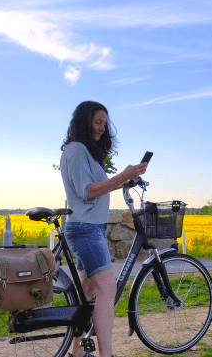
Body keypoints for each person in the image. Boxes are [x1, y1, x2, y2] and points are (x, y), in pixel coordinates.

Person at [60, 101, 147, 357]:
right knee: (107, 288)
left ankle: (76, 353)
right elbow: (86, 191)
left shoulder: (85, 151)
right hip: (84, 228)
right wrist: (122, 176)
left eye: (104, 124)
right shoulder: (75, 150)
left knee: (86, 294)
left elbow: (97, 187)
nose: (101, 128)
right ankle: (106, 354)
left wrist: (127, 177)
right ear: (84, 123)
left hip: (91, 227)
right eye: (97, 122)